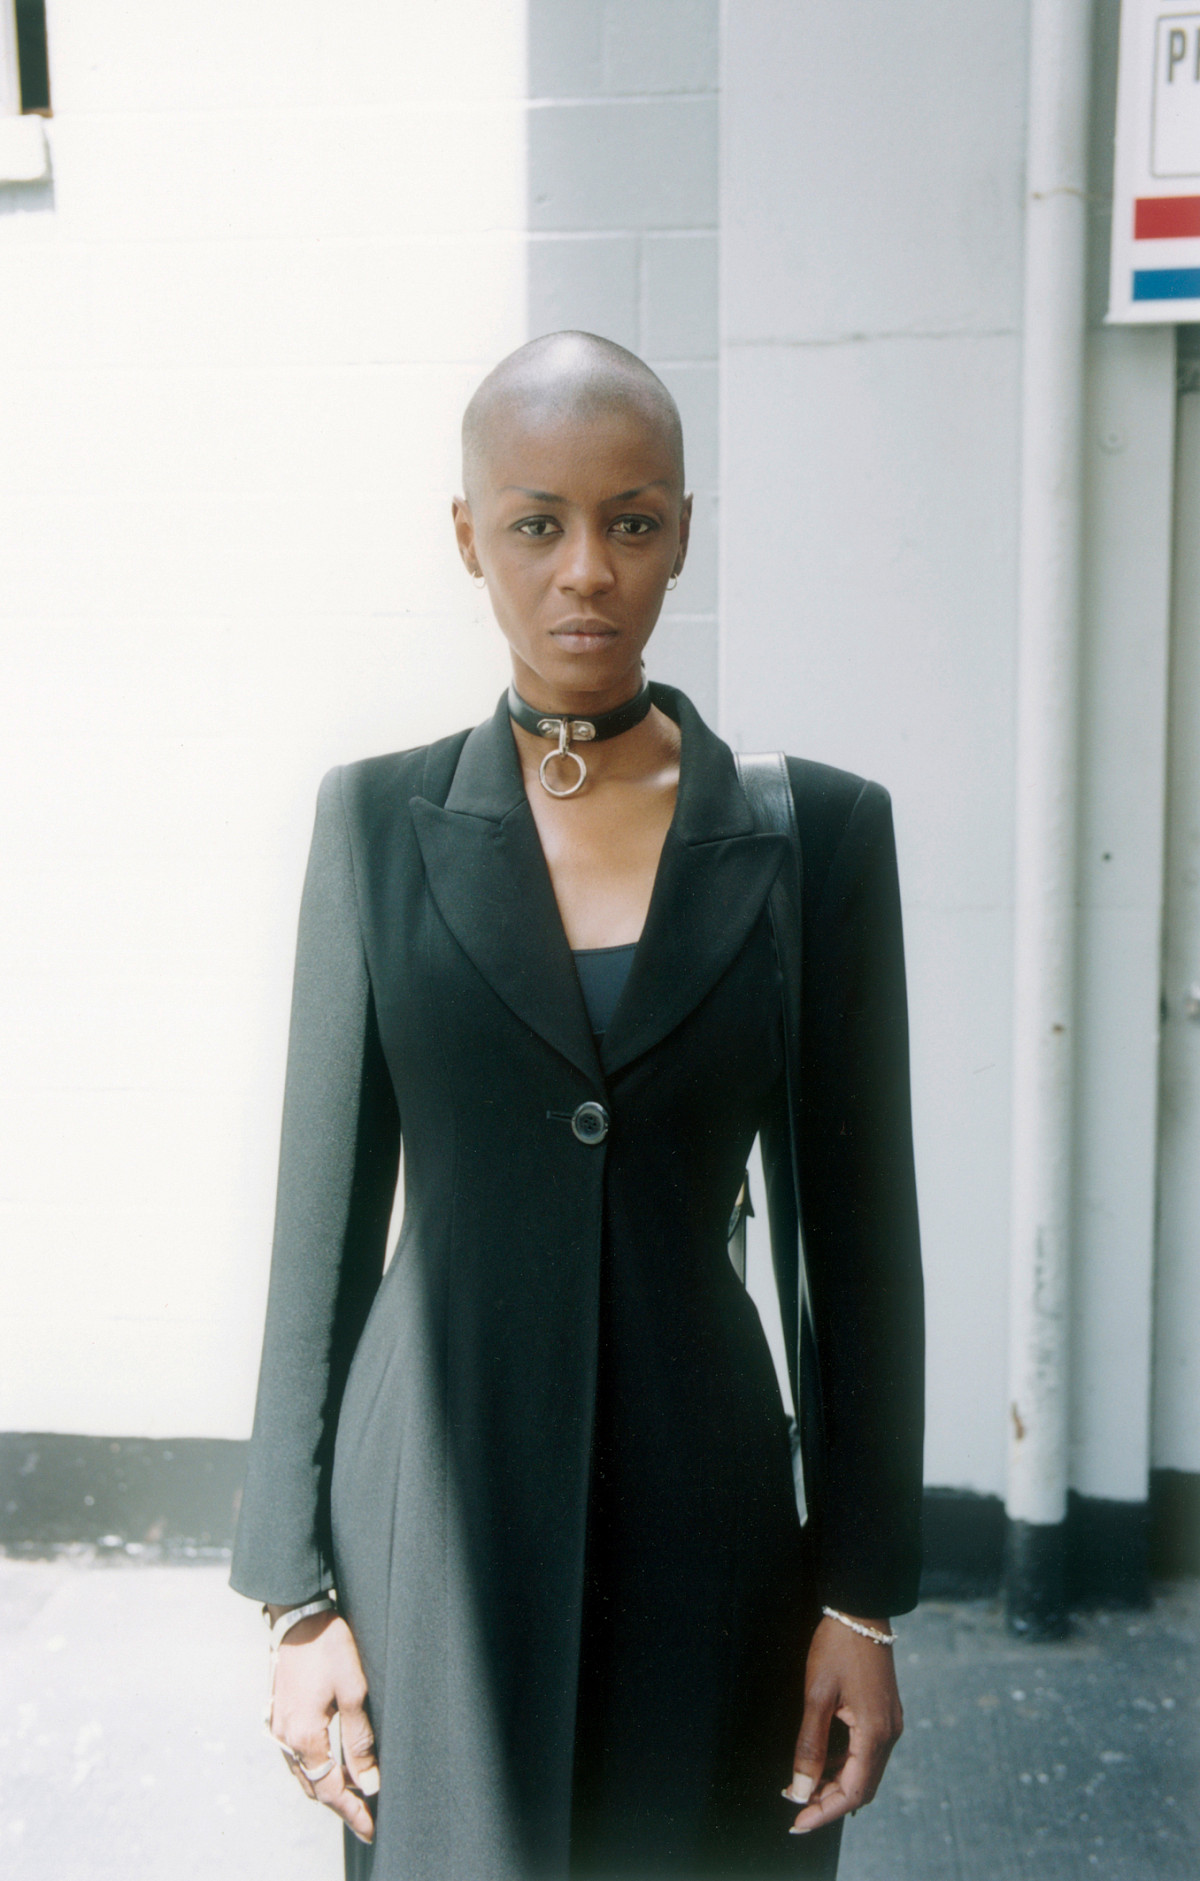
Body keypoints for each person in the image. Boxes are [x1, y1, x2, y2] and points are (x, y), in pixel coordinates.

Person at [231, 331, 924, 1880]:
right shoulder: (373, 827)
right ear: (469, 534)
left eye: (632, 520)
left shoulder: (814, 839)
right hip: (434, 1530)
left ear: (685, 527)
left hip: (715, 1527)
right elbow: (318, 1238)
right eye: (538, 522)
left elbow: (863, 1252)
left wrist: (861, 1594)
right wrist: (295, 1596)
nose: (586, 571)